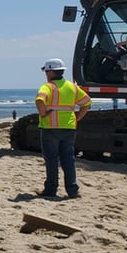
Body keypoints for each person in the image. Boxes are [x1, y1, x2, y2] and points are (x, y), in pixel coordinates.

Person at [35, 58, 92, 199]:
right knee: (68, 159)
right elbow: (86, 103)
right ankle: (72, 190)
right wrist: (78, 117)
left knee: (51, 160)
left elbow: (39, 100)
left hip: (50, 128)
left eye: (47, 71)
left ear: (51, 72)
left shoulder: (48, 87)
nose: (46, 74)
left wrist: (43, 114)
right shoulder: (72, 87)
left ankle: (51, 189)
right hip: (68, 127)